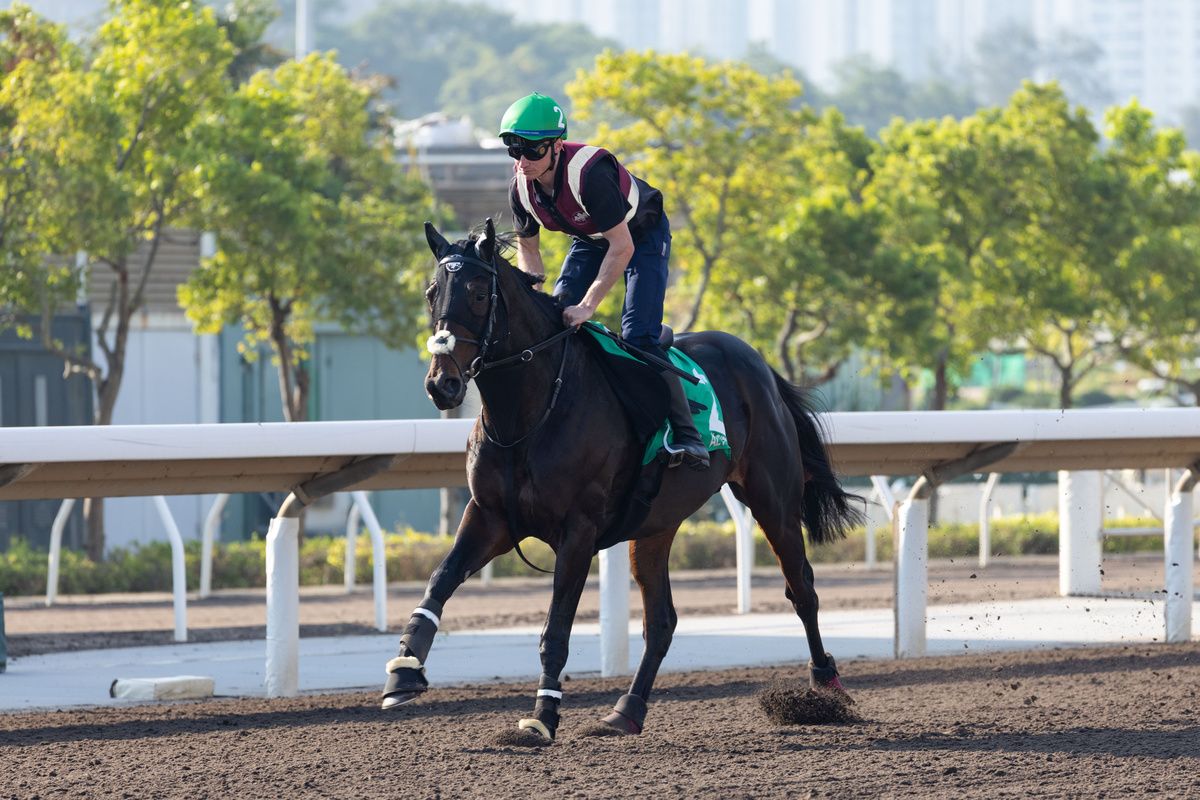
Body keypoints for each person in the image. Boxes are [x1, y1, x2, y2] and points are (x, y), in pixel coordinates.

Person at [499, 92, 709, 469]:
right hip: (591, 240)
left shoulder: (589, 174)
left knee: (636, 336)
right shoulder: (520, 188)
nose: (522, 161)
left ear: (557, 145)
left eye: (532, 151)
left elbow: (622, 246)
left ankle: (687, 434)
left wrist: (589, 305)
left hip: (640, 236)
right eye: (514, 150)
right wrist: (537, 299)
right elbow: (529, 251)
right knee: (555, 320)